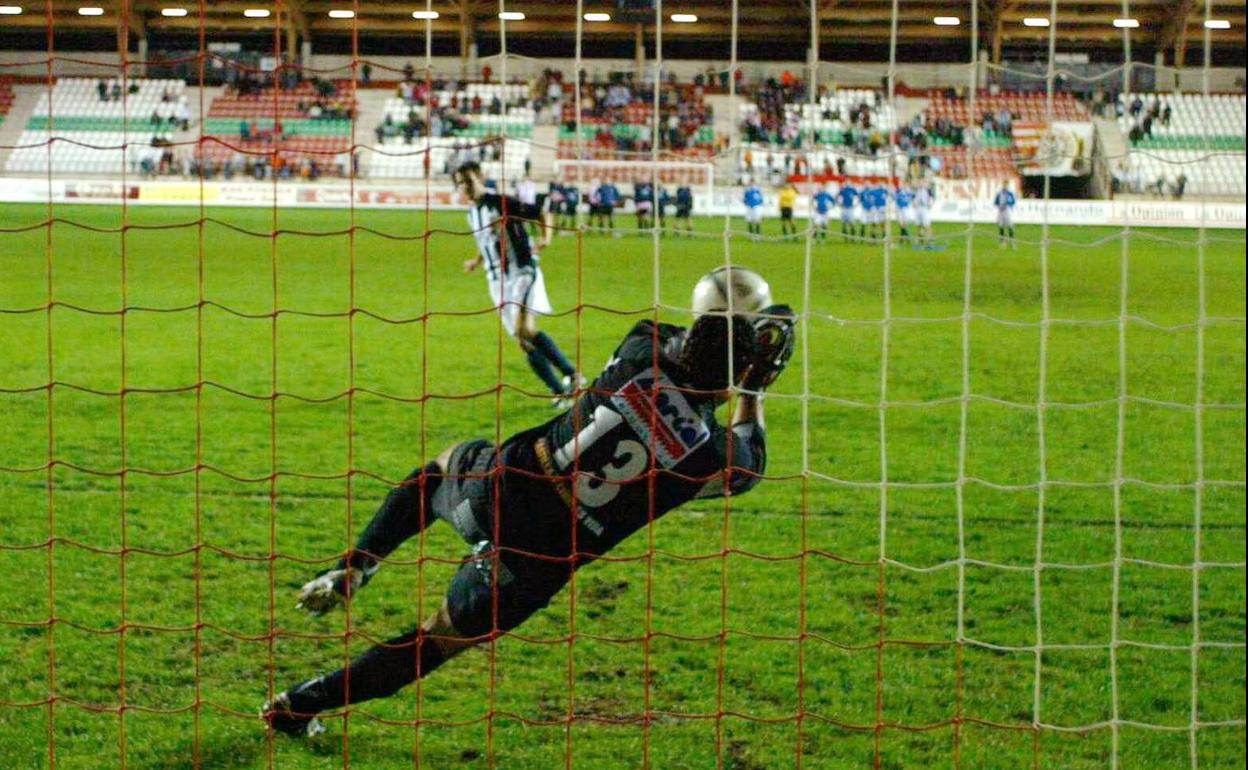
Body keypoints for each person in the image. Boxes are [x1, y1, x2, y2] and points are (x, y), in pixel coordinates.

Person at [262, 303, 797, 738]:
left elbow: (667, 336)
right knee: (436, 641)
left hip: (500, 489)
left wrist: (723, 327)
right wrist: (753, 389)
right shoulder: (709, 456)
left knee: (441, 469)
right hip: (538, 558)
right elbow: (751, 461)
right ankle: (299, 705)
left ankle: (357, 565)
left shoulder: (641, 350)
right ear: (730, 382)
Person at [453, 161, 582, 406]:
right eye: (460, 183)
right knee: (523, 341)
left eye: (469, 180)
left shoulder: (501, 202)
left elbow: (541, 212)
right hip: (496, 281)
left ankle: (572, 374)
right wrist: (476, 261)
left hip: (521, 270)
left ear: (481, 177)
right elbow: (486, 242)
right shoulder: (472, 213)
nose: (465, 187)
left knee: (524, 330)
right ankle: (560, 392)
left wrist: (546, 238)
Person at [993, 184, 1017, 248]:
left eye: (1006, 186)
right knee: (1001, 226)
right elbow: (995, 202)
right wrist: (999, 206)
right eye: (1004, 186)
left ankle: (1012, 242)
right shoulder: (999, 194)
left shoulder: (1009, 194)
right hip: (1001, 211)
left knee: (1010, 226)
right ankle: (1002, 242)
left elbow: (1013, 201)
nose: (1005, 187)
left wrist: (1008, 204)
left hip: (1007, 211)